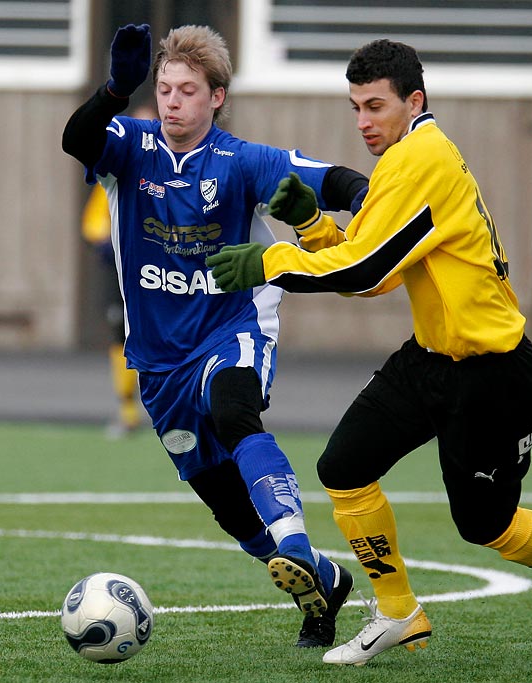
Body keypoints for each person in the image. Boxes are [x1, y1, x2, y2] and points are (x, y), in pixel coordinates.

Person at [206, 38, 532, 665]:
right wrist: (314, 226)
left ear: (415, 101)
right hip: (430, 359)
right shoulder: (406, 157)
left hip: (493, 373)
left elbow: (364, 268)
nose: (363, 122)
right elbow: (378, 268)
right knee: (344, 468)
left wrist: (268, 260)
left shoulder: (422, 158)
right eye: (355, 107)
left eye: (375, 106)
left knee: (486, 526)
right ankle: (399, 612)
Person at [62, 23, 369, 648]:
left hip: (233, 328)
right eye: (166, 88)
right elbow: (76, 138)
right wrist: (115, 90)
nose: (173, 100)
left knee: (236, 415)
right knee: (223, 499)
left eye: (188, 90)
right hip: (158, 360)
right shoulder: (129, 145)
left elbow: (333, 179)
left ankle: (299, 546)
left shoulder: (242, 161)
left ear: (216, 97)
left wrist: (376, 197)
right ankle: (324, 585)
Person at [81, 102, 157, 438]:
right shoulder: (114, 175)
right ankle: (127, 411)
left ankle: (177, 412)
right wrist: (108, 242)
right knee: (120, 333)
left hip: (163, 268)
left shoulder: (171, 174)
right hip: (122, 269)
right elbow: (93, 224)